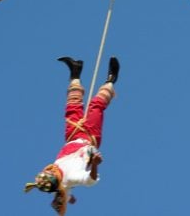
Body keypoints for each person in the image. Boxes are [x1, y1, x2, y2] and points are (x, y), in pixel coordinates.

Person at [25, 56, 120, 216]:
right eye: (50, 173)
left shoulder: (59, 181)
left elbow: (64, 195)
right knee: (96, 106)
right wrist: (95, 164)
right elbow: (90, 181)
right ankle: (111, 79)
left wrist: (67, 199)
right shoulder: (70, 178)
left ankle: (75, 72)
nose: (50, 170)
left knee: (72, 106)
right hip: (89, 137)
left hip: (72, 136)